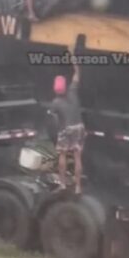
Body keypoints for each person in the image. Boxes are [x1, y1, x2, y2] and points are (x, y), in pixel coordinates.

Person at [49, 61, 85, 194]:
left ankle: (63, 185)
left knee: (62, 156)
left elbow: (52, 118)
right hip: (79, 128)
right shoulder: (73, 91)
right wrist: (74, 61)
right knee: (77, 157)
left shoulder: (55, 103)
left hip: (66, 129)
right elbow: (77, 74)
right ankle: (78, 187)